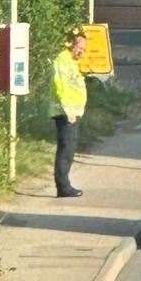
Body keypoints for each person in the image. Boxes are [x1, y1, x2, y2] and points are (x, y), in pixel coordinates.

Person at [50, 29, 88, 198]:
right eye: (80, 48)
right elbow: (61, 86)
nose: (82, 52)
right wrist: (68, 110)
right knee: (66, 149)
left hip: (72, 111)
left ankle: (64, 185)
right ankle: (63, 187)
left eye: (84, 49)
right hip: (66, 111)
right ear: (71, 44)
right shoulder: (63, 60)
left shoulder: (71, 61)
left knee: (69, 148)